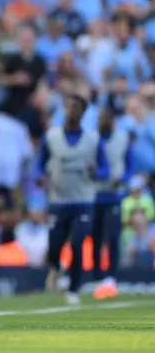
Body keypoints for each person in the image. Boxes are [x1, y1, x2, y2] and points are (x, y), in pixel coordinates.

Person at [39, 93, 109, 305]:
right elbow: (39, 163)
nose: (71, 111)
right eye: (68, 106)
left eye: (75, 107)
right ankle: (57, 268)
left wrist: (95, 172)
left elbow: (105, 170)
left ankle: (73, 287)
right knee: (54, 247)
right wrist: (39, 176)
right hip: (58, 200)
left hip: (83, 201)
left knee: (78, 243)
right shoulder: (51, 136)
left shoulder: (93, 139)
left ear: (83, 112)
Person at [92, 107, 133, 299]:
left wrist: (123, 178)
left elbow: (130, 165)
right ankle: (97, 276)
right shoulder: (91, 139)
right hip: (94, 194)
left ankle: (112, 277)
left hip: (114, 194)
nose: (103, 122)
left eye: (106, 118)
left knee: (113, 237)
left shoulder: (122, 139)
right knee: (96, 237)